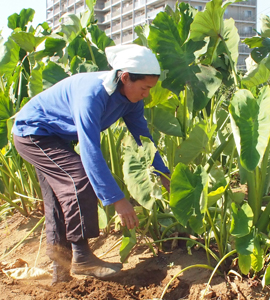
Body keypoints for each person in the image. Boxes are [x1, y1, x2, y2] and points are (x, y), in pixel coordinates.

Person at [12, 44, 170, 284]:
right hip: (33, 133)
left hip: (56, 137)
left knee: (57, 201)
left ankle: (60, 276)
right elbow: (90, 150)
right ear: (125, 77)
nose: (147, 94)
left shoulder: (132, 100)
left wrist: (163, 172)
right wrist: (117, 200)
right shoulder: (93, 94)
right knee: (78, 177)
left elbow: (143, 138)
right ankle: (82, 257)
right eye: (144, 87)